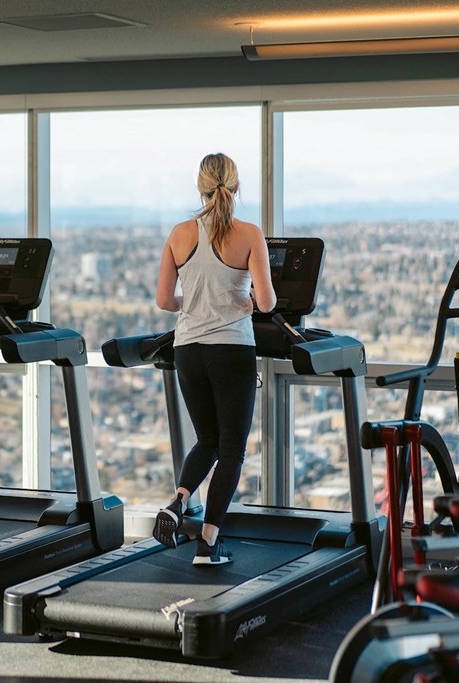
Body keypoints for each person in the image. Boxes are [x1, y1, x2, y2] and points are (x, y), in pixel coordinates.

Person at [151, 152, 276, 566]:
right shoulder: (249, 233)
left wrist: (199, 302)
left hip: (188, 350)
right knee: (232, 451)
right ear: (235, 187)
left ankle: (178, 500)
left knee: (207, 440)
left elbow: (165, 300)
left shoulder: (178, 233)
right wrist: (241, 300)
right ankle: (208, 544)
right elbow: (268, 300)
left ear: (199, 186)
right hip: (232, 351)